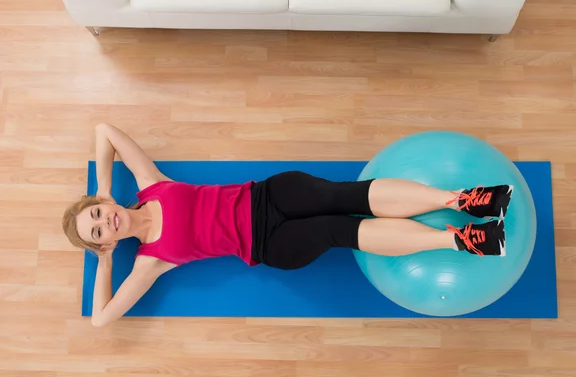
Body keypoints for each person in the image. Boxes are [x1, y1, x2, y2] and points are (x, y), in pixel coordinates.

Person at [63, 123, 513, 327]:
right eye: (98, 231)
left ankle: (461, 200)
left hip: (269, 193)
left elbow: (105, 130)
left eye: (98, 213)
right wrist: (102, 261)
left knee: (345, 195)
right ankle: (458, 240)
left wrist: (101, 188)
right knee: (338, 229)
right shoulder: (149, 262)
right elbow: (101, 319)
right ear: (107, 241)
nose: (106, 221)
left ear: (103, 204)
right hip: (270, 243)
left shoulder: (151, 184)